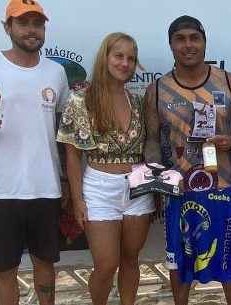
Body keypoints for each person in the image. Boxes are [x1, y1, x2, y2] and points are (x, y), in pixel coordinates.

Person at [0, 1, 69, 304]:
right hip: (1, 190)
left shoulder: (56, 72)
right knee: (5, 270)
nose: (32, 30)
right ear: (7, 27)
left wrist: (69, 183)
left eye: (37, 23)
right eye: (23, 23)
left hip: (46, 188)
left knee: (46, 265)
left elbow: (64, 133)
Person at [143, 16, 231, 305]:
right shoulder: (156, 90)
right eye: (180, 38)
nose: (188, 45)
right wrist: (155, 173)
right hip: (179, 189)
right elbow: (152, 140)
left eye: (194, 38)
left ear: (204, 42)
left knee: (228, 256)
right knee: (179, 261)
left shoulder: (228, 81)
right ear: (170, 44)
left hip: (223, 185)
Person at [57, 32, 152, 305]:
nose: (125, 63)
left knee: (131, 259)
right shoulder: (81, 100)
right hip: (99, 188)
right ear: (105, 58)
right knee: (106, 264)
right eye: (119, 56)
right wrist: (77, 200)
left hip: (138, 188)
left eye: (131, 59)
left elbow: (148, 148)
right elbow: (72, 154)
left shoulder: (137, 100)